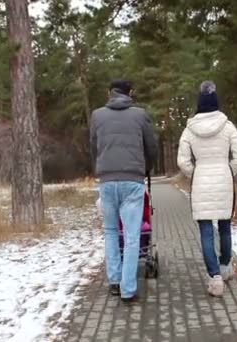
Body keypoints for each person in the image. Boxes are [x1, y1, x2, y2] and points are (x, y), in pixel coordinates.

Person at [176, 80, 237, 297]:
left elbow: (182, 161)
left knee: (206, 231)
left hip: (201, 182)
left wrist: (195, 173)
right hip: (224, 180)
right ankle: (226, 267)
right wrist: (227, 170)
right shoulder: (227, 127)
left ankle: (215, 278)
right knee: (225, 226)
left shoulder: (189, 130)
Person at [90, 79, 158, 302]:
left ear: (109, 93)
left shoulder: (97, 116)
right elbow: (151, 147)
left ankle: (114, 282)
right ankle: (128, 289)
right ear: (131, 92)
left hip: (107, 181)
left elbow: (94, 146)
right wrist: (145, 168)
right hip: (132, 181)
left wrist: (101, 167)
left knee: (110, 231)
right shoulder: (140, 115)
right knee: (131, 236)